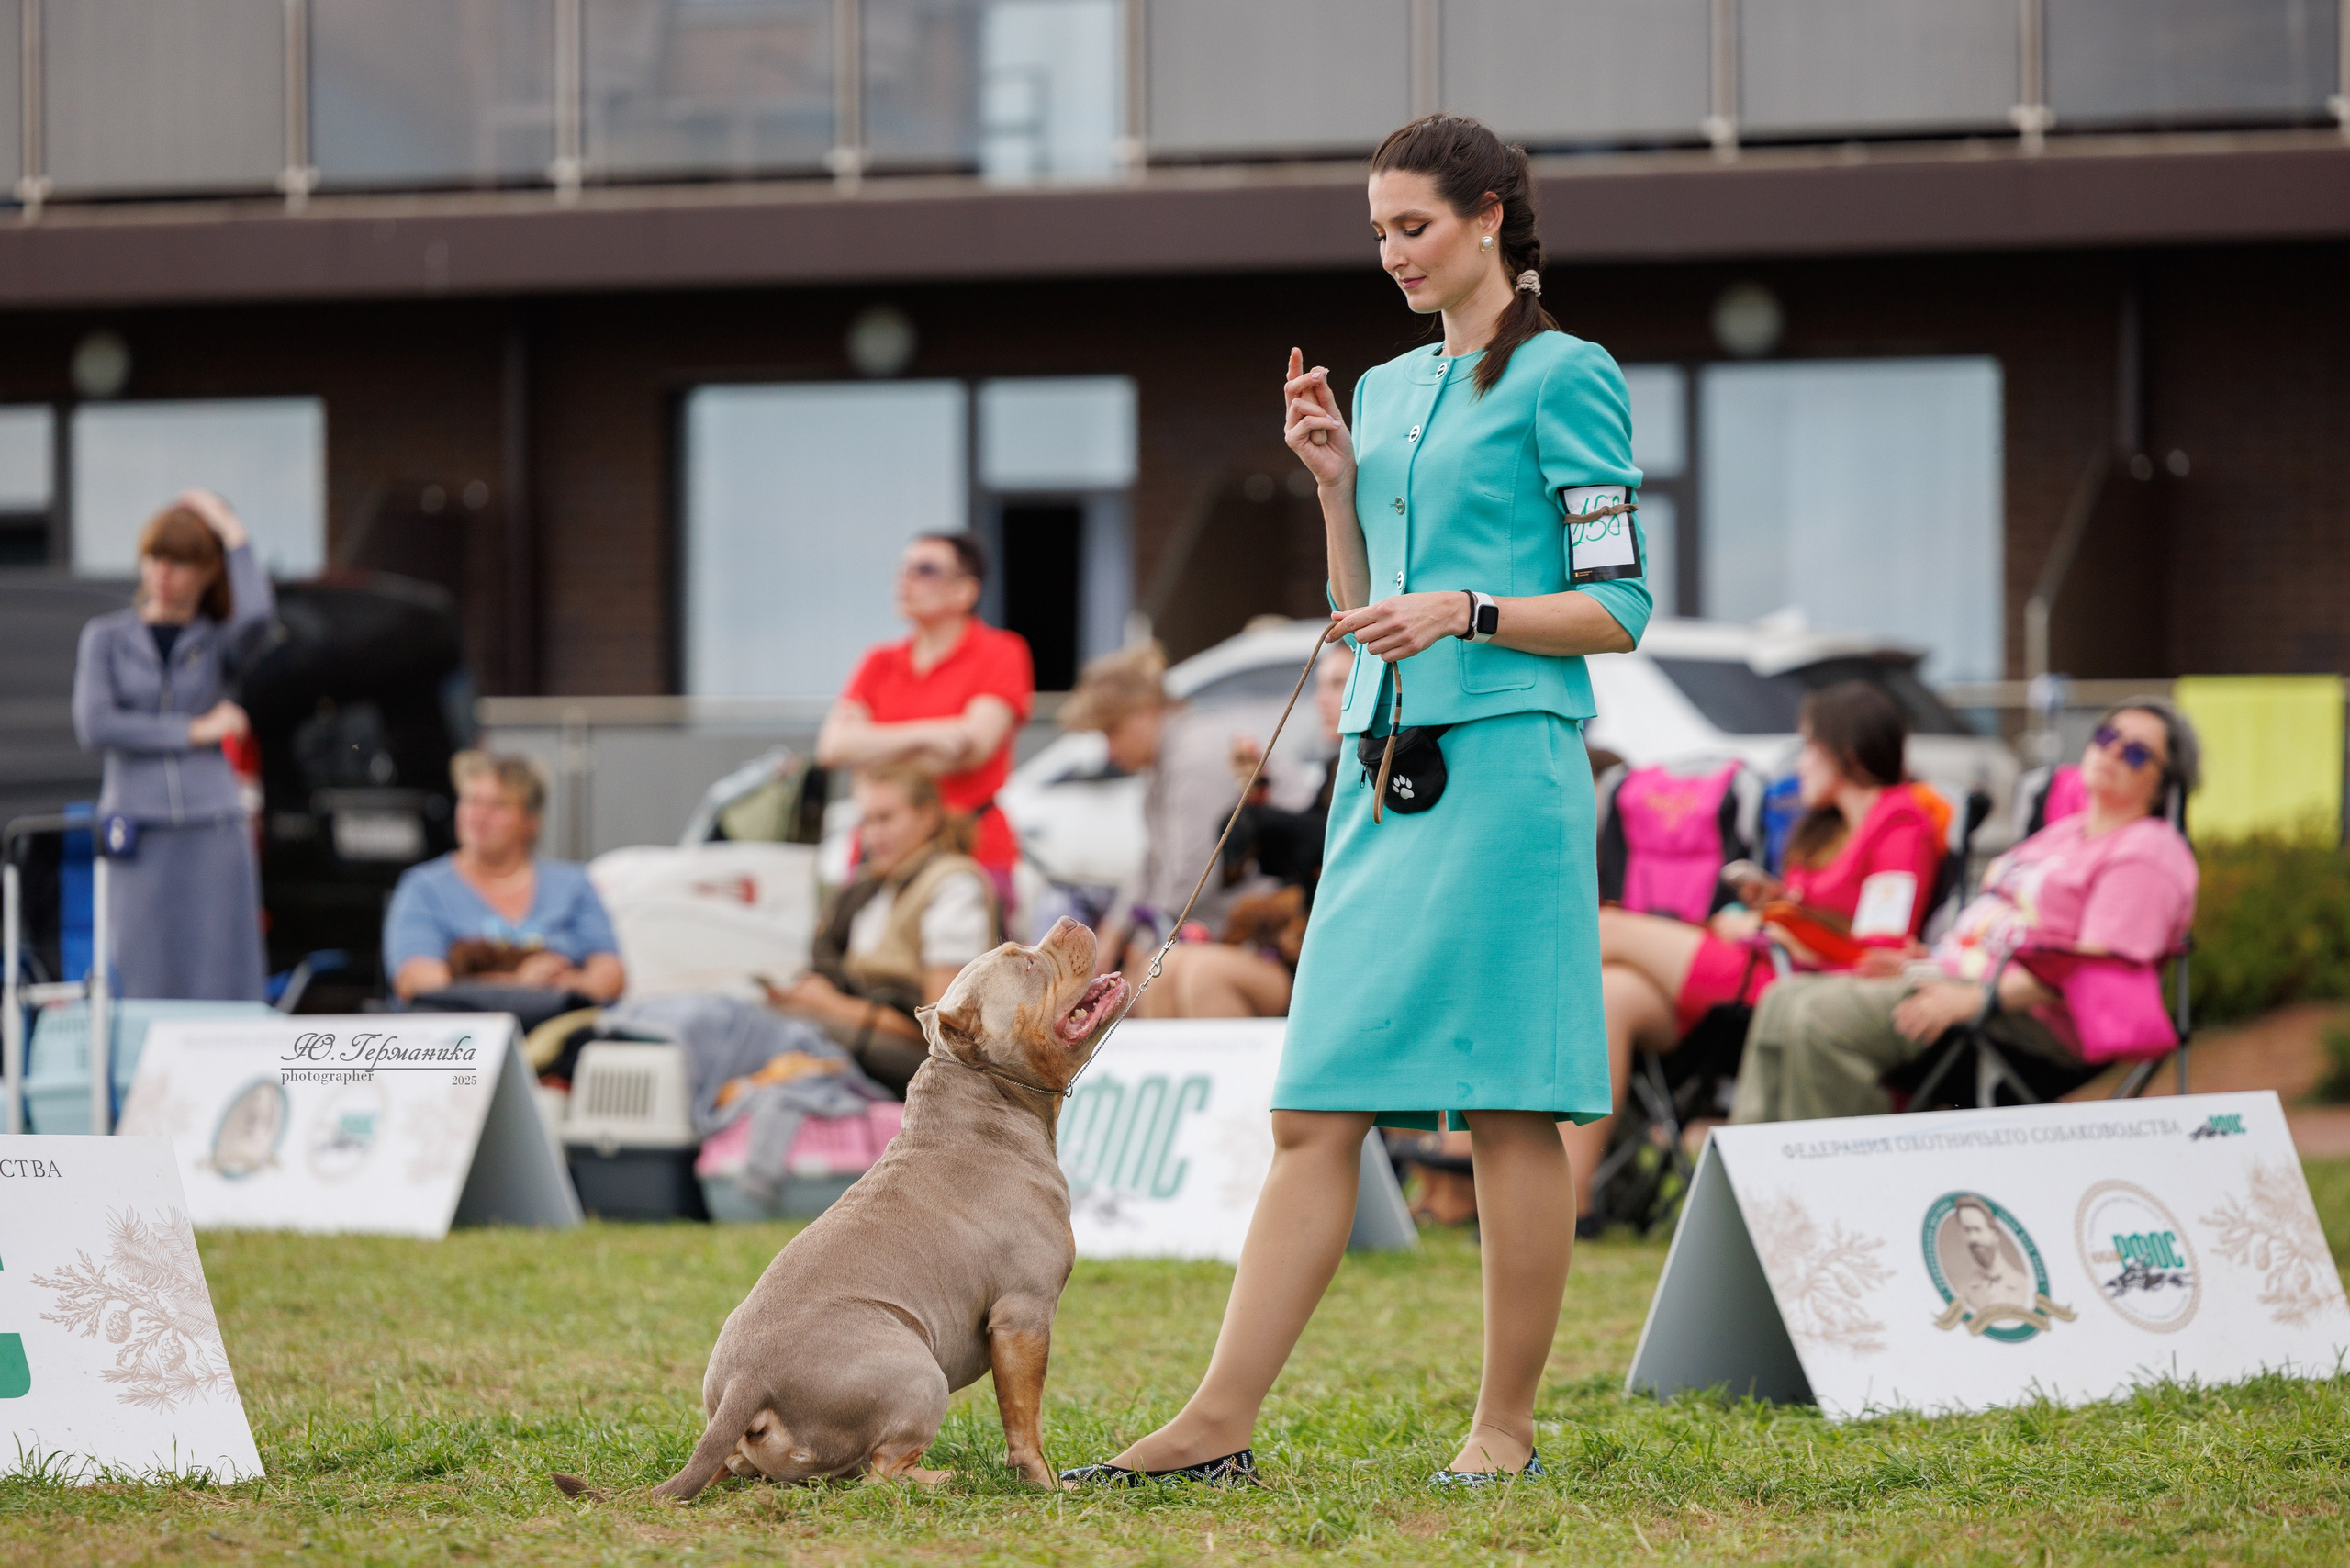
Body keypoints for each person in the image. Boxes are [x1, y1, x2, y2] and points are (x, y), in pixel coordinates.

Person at [1063, 114, 1652, 1488]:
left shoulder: (1573, 376)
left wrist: (1472, 608)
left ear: (1492, 214)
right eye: (1378, 231)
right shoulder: (1383, 392)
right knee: (1313, 1109)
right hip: (1381, 781)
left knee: (1510, 1107)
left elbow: (1620, 606)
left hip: (1509, 772)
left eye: (1414, 227)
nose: (1390, 253)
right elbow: (1355, 606)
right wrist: (1336, 485)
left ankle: (1502, 1431)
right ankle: (1216, 1423)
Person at [1564, 682, 1946, 1217]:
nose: (1800, 762)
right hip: (1765, 969)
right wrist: (1772, 909)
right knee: (1611, 995)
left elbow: (1878, 950)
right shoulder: (1825, 830)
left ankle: (1475, 1123)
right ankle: (1572, 1201)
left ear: (1849, 753)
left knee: (1606, 930)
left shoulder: (1901, 822)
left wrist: (1780, 926)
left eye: (1810, 745)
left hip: (1796, 986)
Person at [1729, 700, 2200, 1124]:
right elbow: (1997, 925)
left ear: (2163, 785)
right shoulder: (2065, 834)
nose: (2113, 752)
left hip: (2026, 1021)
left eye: (2137, 753)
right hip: (1961, 981)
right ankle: (1752, 1190)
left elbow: (2095, 967)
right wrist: (1925, 962)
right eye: (2106, 736)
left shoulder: (2146, 853)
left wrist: (1980, 997)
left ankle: (1837, 1200)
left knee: (1820, 1021)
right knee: (1781, 1002)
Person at [72, 491, 275, 1001]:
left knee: (225, 966)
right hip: (137, 823)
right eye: (154, 558)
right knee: (142, 965)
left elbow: (257, 615)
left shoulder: (216, 640)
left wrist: (229, 527)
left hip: (213, 822)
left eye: (180, 561)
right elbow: (95, 725)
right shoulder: (106, 638)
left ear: (207, 572)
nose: (163, 572)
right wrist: (192, 731)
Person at [817, 534, 1034, 904]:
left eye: (926, 569)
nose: (906, 579)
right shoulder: (879, 661)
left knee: (977, 962)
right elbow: (832, 748)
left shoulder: (1001, 652)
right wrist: (933, 733)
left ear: (965, 591)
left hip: (972, 853)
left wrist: (873, 749)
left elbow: (971, 749)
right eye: (902, 569)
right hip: (881, 857)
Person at [762, 762, 1000, 1095]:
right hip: (866, 1037)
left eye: (885, 818)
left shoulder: (954, 888)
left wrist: (830, 1005)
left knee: (780, 1036)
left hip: (927, 1066)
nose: (873, 834)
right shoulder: (872, 887)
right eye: (866, 821)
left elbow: (945, 1031)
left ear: (928, 815)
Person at [384, 752, 626, 1003]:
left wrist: (563, 983)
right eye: (471, 801)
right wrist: (519, 984)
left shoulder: (573, 884)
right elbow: (415, 980)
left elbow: (611, 975)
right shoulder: (424, 887)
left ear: (531, 821)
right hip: (462, 1035)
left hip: (554, 1029)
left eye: (498, 805)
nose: (479, 816)